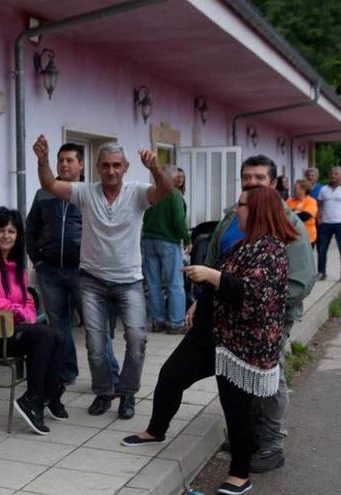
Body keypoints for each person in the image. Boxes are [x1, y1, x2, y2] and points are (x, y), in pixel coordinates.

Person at [122, 186, 297, 495]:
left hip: (240, 346)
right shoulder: (245, 243)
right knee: (170, 376)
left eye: (241, 205)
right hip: (209, 334)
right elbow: (222, 282)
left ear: (257, 210)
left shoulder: (271, 249)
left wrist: (210, 275)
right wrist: (197, 301)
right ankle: (155, 430)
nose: (235, 211)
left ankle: (240, 476)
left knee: (237, 409)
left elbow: (252, 295)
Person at [33, 136, 173, 419]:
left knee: (136, 338)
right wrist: (43, 160)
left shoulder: (137, 193)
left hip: (129, 281)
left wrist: (156, 168)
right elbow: (50, 185)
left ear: (126, 167)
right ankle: (103, 392)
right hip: (92, 281)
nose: (111, 171)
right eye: (106, 165)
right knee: (95, 346)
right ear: (97, 167)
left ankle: (128, 393)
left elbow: (166, 191)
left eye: (117, 166)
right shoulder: (85, 192)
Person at [196, 155, 315, 473]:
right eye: (246, 177)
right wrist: (202, 302)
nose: (252, 183)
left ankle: (272, 442)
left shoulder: (289, 225)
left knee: (268, 378)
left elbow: (301, 282)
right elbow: (212, 265)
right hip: (231, 320)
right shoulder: (230, 219)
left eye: (259, 178)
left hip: (269, 321)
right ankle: (246, 437)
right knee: (240, 378)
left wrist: (259, 302)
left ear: (273, 183)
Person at [0, 207, 67, 434]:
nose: (6, 235)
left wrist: (26, 313)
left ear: (18, 235)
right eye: (1, 230)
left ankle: (44, 395)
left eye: (11, 231)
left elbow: (26, 297)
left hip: (7, 330)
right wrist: (16, 309)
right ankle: (40, 397)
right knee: (46, 336)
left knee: (58, 334)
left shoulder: (16, 263)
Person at [25, 143, 120, 387]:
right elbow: (31, 229)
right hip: (50, 272)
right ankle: (66, 372)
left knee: (95, 327)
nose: (64, 164)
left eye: (69, 160)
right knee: (59, 326)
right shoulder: (43, 194)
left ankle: (108, 376)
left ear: (81, 164)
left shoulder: (93, 193)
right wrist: (38, 259)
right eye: (60, 160)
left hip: (84, 272)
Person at [141, 165, 190, 334]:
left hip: (148, 240)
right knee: (175, 282)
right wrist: (187, 239)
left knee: (153, 283)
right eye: (179, 177)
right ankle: (176, 323)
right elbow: (179, 220)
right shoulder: (174, 195)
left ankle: (157, 320)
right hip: (168, 242)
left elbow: (145, 215)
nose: (180, 180)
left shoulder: (153, 192)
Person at [317, 166, 341, 281]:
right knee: (322, 249)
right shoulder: (323, 189)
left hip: (340, 224)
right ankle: (321, 272)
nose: (333, 176)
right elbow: (319, 204)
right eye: (331, 173)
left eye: (336, 174)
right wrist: (319, 217)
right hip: (325, 224)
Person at [287, 179, 317, 246]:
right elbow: (283, 215)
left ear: (304, 190)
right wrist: (296, 212)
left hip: (308, 237)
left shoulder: (311, 201)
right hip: (292, 236)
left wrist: (292, 213)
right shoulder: (289, 201)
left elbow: (305, 216)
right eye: (294, 187)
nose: (294, 190)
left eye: (296, 188)